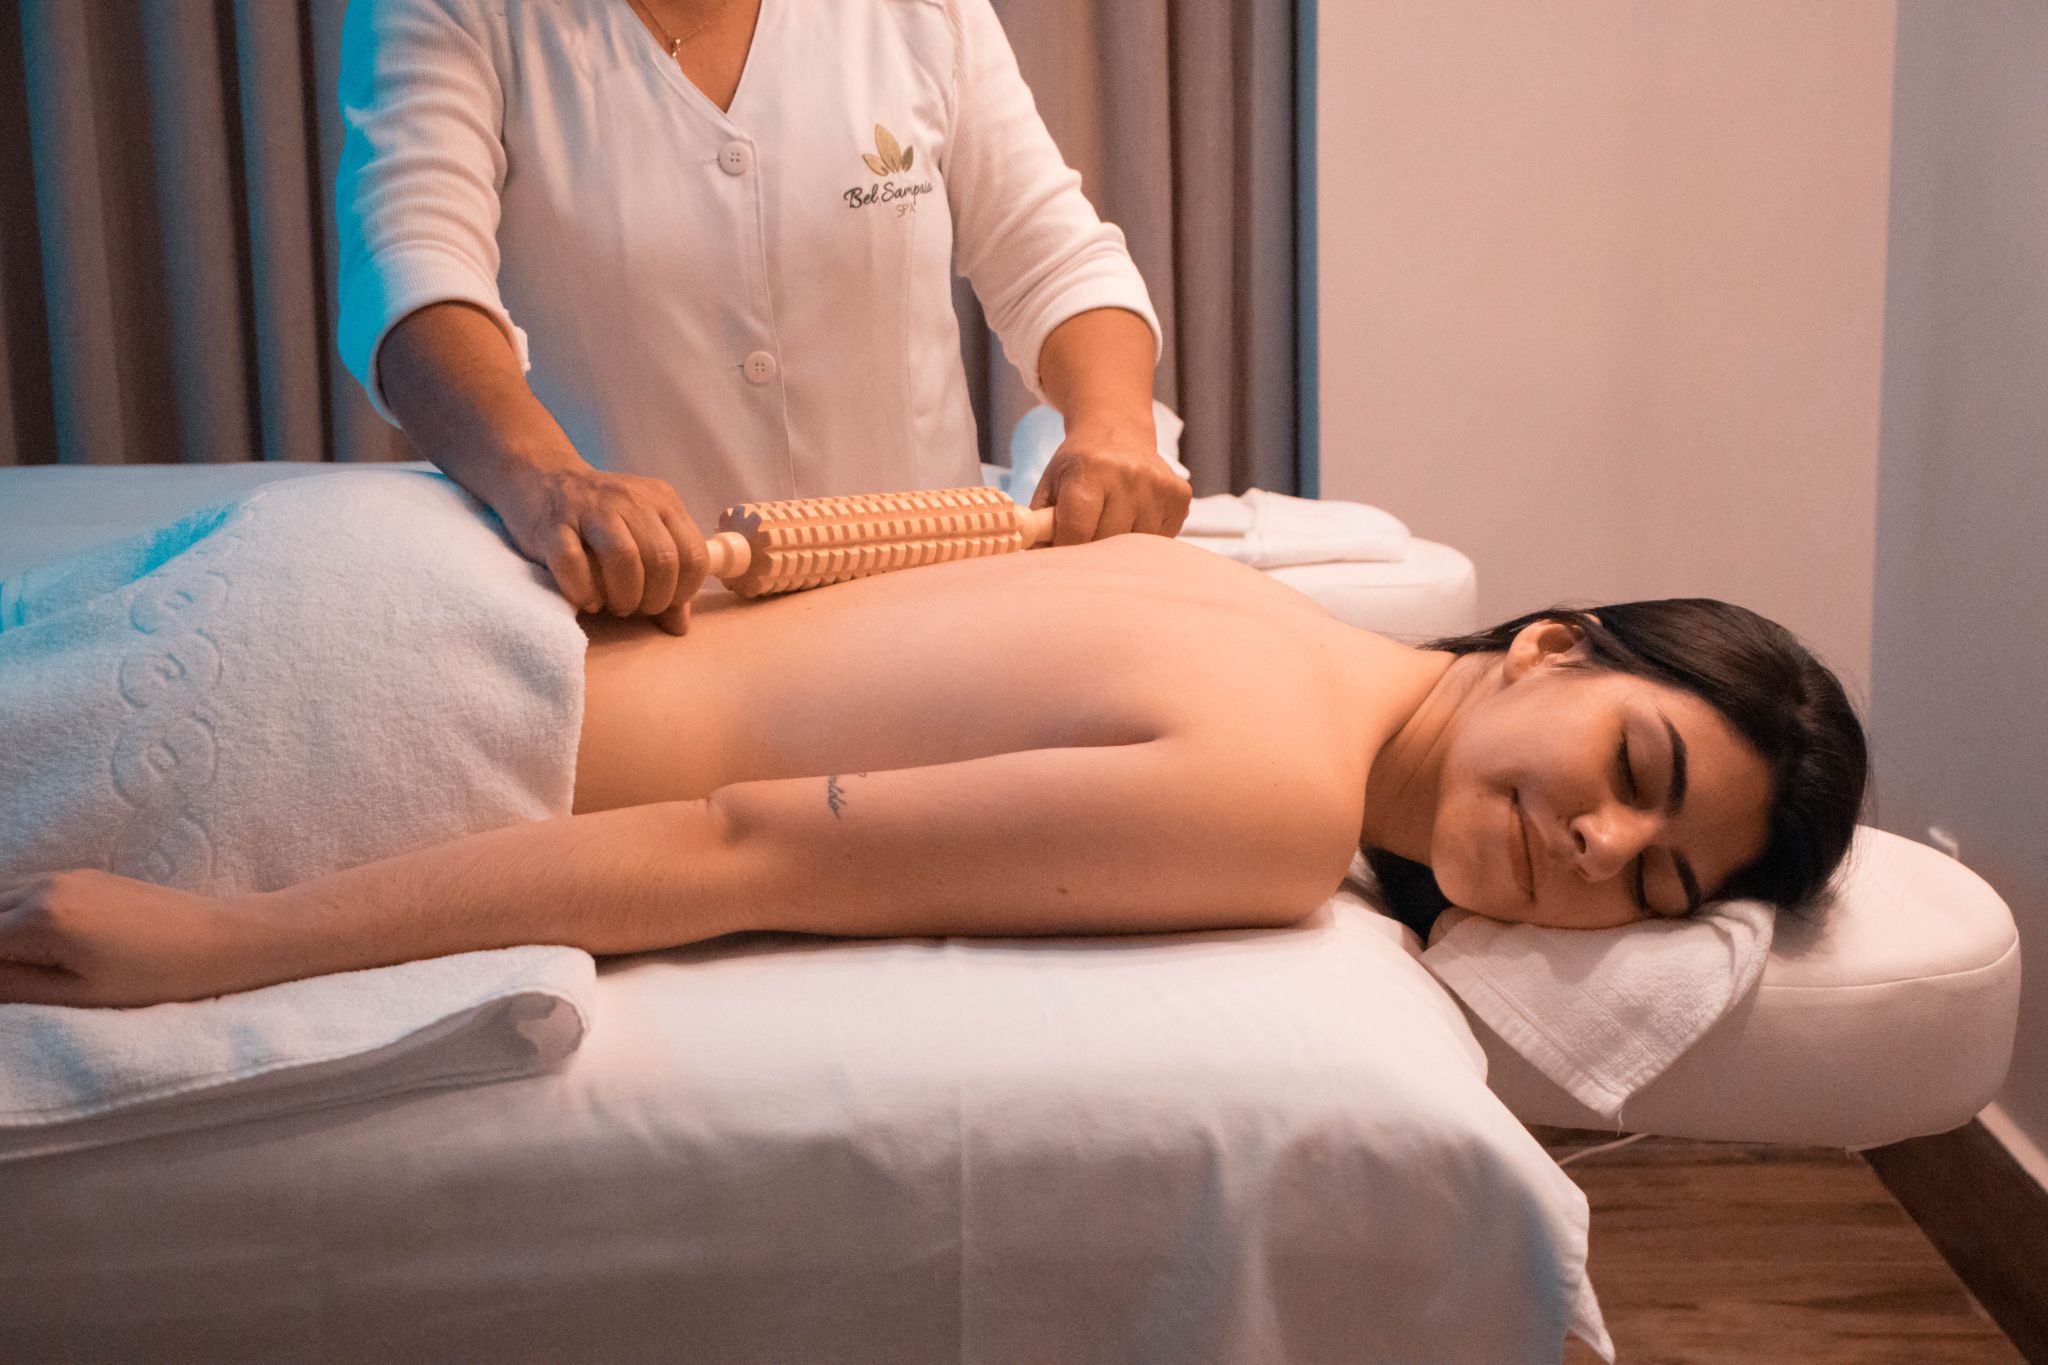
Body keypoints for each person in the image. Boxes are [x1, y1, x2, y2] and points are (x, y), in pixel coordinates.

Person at [0, 532, 1866, 1009]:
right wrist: (230, 946)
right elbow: (739, 848)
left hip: (391, 590)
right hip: (404, 720)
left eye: (1655, 881)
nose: (1598, 844)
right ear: (1550, 646)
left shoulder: (1243, 601)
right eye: (1634, 766)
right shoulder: (1276, 804)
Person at [337, 0, 1189, 635]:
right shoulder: (455, 13)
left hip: (936, 616)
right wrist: (547, 482)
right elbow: (412, 274)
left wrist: (1114, 428)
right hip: (651, 632)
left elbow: (1054, 258)